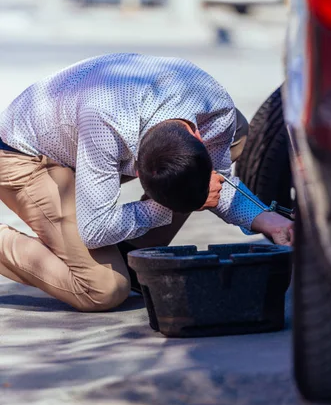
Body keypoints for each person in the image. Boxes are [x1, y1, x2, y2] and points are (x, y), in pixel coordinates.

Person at [0, 53, 294, 312]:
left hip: (83, 134)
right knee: (103, 288)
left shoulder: (214, 108)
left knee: (236, 134)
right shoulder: (105, 128)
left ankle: (129, 255)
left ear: (198, 137)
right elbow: (94, 229)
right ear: (137, 169)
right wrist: (161, 208)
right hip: (23, 155)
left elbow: (217, 184)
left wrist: (267, 219)